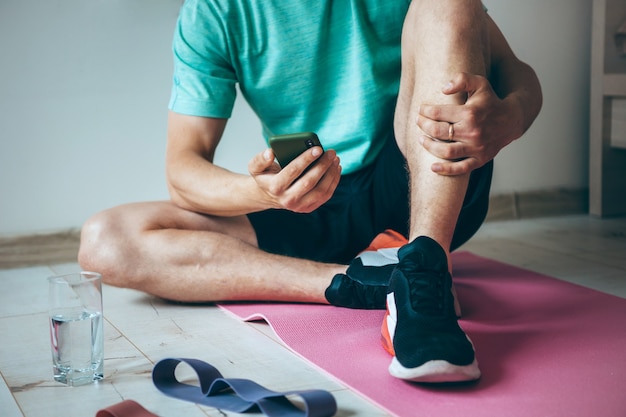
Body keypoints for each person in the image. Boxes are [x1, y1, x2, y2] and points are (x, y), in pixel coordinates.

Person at [79, 0, 542, 383]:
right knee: (106, 241)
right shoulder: (214, 12)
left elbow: (516, 74)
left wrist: (511, 116)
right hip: (307, 202)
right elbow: (183, 170)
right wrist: (265, 192)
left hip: (416, 186)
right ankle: (359, 283)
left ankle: (425, 274)